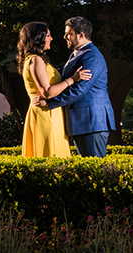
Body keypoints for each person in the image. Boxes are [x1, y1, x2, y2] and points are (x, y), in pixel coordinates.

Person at [31, 16, 116, 157]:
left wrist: (50, 102)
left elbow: (80, 89)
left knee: (94, 171)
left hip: (91, 122)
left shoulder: (91, 56)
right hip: (82, 123)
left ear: (81, 35)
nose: (64, 37)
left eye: (69, 33)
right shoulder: (76, 54)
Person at [19, 21, 91, 157]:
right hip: (46, 115)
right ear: (38, 38)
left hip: (49, 113)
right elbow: (47, 91)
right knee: (51, 155)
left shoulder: (33, 60)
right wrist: (72, 80)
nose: (51, 39)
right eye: (48, 35)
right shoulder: (36, 60)